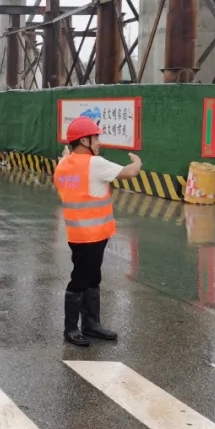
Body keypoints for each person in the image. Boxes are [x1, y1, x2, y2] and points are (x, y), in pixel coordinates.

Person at [53, 116, 142, 347]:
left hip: (79, 235)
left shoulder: (63, 165)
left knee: (92, 278)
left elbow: (68, 170)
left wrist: (66, 157)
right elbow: (130, 172)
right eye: (96, 137)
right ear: (84, 140)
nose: (99, 142)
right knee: (80, 281)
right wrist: (137, 161)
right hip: (91, 236)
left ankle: (91, 324)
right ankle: (71, 328)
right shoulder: (95, 164)